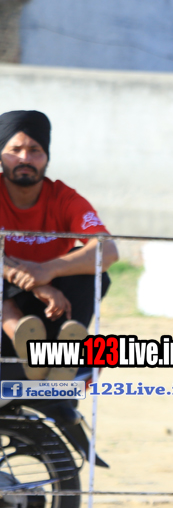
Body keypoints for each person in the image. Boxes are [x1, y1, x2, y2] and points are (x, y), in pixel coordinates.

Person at [0, 110, 118, 381]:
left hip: (51, 312)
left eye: (35, 150)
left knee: (93, 270)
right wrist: (35, 283)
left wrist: (48, 271)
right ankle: (21, 336)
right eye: (15, 150)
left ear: (47, 157)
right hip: (7, 303)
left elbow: (108, 250)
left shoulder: (64, 199)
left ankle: (63, 356)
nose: (25, 158)